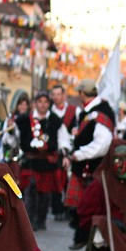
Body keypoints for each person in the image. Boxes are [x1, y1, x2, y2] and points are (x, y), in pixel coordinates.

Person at [4, 91, 70, 231]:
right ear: (35, 103)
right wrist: (10, 130)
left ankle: (41, 219)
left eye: (45, 102)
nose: (43, 104)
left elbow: (63, 139)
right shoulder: (22, 120)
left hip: (47, 162)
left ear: (48, 104)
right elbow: (11, 140)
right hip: (30, 161)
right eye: (40, 102)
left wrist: (65, 155)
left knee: (45, 194)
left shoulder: (55, 120)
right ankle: (30, 220)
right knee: (29, 190)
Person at [66, 79, 115, 251]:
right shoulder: (88, 112)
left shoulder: (102, 113)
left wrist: (79, 154)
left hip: (94, 168)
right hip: (84, 168)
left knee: (92, 207)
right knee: (81, 206)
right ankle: (83, 237)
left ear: (82, 94)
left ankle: (94, 241)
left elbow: (102, 145)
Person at [49, 84, 77, 222]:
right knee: (55, 178)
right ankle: (57, 208)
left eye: (58, 94)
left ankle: (69, 208)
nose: (56, 97)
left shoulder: (73, 111)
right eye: (53, 94)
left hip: (70, 149)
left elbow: (77, 129)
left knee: (69, 179)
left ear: (64, 95)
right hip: (54, 150)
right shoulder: (49, 111)